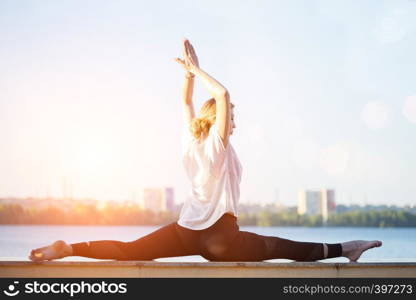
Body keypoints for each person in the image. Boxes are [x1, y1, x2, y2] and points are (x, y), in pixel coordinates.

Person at [28, 39, 382, 263]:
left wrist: (188, 76)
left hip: (185, 229)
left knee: (130, 251)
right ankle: (348, 247)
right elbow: (224, 96)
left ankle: (70, 248)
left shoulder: (190, 139)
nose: (234, 124)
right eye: (232, 121)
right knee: (283, 248)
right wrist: (197, 69)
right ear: (219, 122)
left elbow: (185, 102)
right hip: (222, 239)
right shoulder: (216, 142)